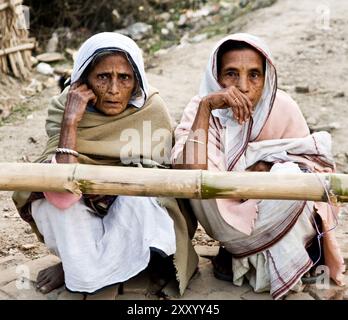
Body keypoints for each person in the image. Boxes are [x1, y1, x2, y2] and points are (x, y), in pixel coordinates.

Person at [12, 32, 198, 296]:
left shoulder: (150, 108)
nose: (113, 89)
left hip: (131, 203)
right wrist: (70, 122)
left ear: (136, 83)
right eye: (102, 77)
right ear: (83, 80)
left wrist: (114, 188)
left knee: (142, 203)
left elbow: (162, 173)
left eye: (124, 78)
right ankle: (86, 267)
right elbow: (61, 191)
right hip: (78, 203)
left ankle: (87, 267)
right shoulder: (64, 109)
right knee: (53, 204)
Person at [171, 33, 345, 300]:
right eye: (231, 74)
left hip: (277, 210)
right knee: (200, 181)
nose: (242, 86)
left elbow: (314, 166)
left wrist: (271, 169)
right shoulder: (201, 108)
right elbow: (192, 173)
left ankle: (249, 261)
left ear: (266, 79)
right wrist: (207, 107)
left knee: (293, 179)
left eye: (254, 75)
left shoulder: (283, 106)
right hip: (226, 215)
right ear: (215, 77)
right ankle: (239, 252)